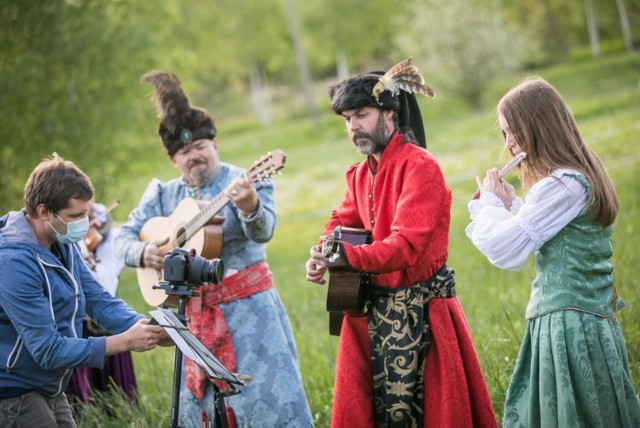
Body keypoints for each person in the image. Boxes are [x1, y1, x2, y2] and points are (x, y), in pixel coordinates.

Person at [305, 57, 497, 427]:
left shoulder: (420, 167)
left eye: (361, 114)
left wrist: (345, 256)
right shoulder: (360, 174)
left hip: (423, 316)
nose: (353, 127)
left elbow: (406, 245)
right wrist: (322, 252)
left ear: (389, 113)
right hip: (370, 316)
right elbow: (342, 220)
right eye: (347, 119)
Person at [114, 71, 312, 427]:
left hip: (251, 317)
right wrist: (146, 254)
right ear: (174, 160)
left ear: (215, 144)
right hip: (192, 323)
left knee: (266, 405)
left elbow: (264, 232)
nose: (195, 156)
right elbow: (122, 239)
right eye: (185, 152)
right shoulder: (162, 194)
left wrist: (249, 205)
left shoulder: (244, 179)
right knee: (202, 409)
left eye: (200, 147)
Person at [466, 77, 640, 426]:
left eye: (514, 131)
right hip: (581, 320)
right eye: (504, 134)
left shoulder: (563, 184)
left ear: (539, 126)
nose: (510, 144)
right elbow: (545, 234)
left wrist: (488, 204)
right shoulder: (573, 177)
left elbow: (506, 250)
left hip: (569, 326)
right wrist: (510, 204)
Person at [0, 154, 169, 428]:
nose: (85, 222)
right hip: (13, 389)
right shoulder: (13, 262)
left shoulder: (60, 240)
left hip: (49, 383)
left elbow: (95, 297)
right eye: (76, 215)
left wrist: (145, 326)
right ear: (44, 211)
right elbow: (48, 349)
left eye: (86, 213)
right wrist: (125, 341)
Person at [66, 200, 138, 406]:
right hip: (79, 325)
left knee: (114, 394)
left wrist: (87, 255)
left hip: (106, 321)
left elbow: (103, 288)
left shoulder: (109, 236)